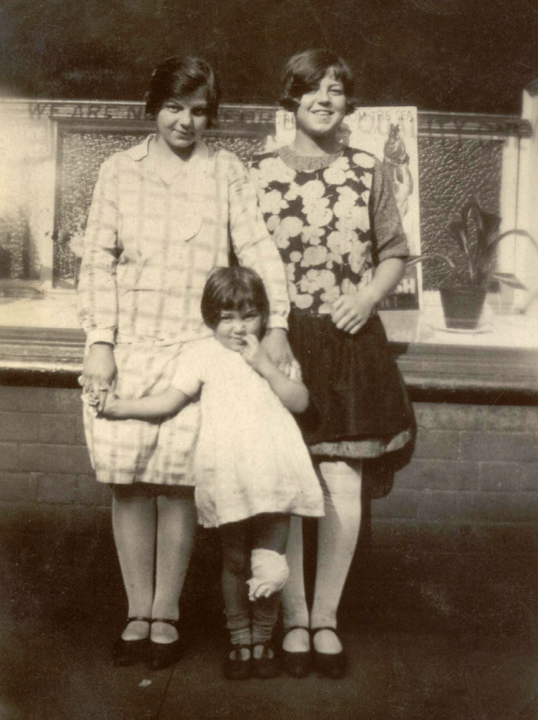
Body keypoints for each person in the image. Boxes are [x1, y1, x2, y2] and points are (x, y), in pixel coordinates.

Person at [77, 56, 294, 670]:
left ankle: (166, 612)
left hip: (200, 350)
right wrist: (100, 341)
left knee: (176, 485)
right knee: (127, 482)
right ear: (155, 107)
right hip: (126, 344)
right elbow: (97, 259)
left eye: (199, 110)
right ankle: (135, 610)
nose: (186, 120)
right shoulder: (119, 171)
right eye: (175, 107)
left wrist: (275, 327)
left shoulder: (226, 172)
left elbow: (256, 248)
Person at [249, 49, 415, 678]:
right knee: (289, 480)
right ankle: (292, 619)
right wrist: (268, 332)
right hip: (283, 343)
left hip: (349, 344)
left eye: (336, 89)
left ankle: (326, 618)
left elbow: (395, 252)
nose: (324, 98)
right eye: (311, 88)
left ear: (349, 102)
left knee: (342, 479)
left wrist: (368, 295)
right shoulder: (256, 173)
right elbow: (240, 262)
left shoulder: (368, 170)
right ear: (289, 98)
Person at [92, 267, 324, 679]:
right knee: (236, 561)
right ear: (210, 318)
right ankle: (240, 639)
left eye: (248, 315)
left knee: (270, 564)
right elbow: (167, 401)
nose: (238, 327)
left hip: (274, 472)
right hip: (229, 475)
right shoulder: (202, 354)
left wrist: (264, 365)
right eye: (226, 317)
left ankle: (263, 639)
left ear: (263, 315)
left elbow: (301, 402)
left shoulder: (274, 352)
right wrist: (118, 407)